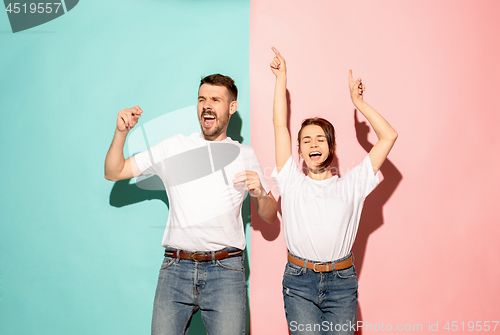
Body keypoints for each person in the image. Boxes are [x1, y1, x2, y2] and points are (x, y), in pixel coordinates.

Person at [104, 74, 277, 335]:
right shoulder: (174, 147)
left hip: (226, 271)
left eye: (215, 100)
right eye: (202, 99)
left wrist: (262, 194)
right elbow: (114, 172)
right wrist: (121, 133)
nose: (207, 105)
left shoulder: (246, 155)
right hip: (176, 270)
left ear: (231, 108)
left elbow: (270, 216)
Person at [269, 48, 398, 335]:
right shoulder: (291, 181)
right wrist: (281, 79)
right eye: (306, 141)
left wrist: (358, 102)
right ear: (299, 151)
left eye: (320, 139)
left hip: (341, 282)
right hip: (299, 281)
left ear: (332, 147)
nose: (313, 144)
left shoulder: (352, 184)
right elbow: (280, 126)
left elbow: (388, 136)